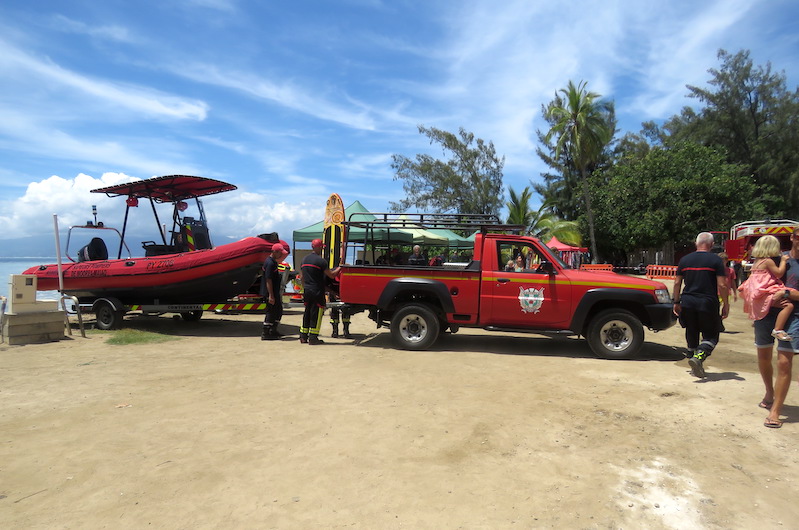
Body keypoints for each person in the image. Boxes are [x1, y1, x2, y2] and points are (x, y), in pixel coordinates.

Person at [757, 227, 799, 428]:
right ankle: (769, 391)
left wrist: (786, 294)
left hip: (793, 315)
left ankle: (775, 412)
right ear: (792, 237)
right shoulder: (774, 258)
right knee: (764, 357)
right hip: (766, 314)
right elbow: (755, 283)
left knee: (784, 362)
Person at [672, 232, 730, 378]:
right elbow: (722, 285)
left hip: (688, 301)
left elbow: (677, 282)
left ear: (696, 244)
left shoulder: (685, 260)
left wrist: (676, 302)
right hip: (707, 302)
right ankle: (698, 358)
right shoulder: (715, 261)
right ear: (711, 244)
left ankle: (694, 362)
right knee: (711, 336)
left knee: (692, 330)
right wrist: (726, 304)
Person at [738, 236, 795, 341]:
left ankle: (760, 320)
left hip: (758, 293)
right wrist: (783, 261)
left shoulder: (757, 261)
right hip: (764, 292)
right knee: (788, 306)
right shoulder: (768, 261)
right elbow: (778, 273)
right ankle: (778, 329)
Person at [300, 238, 342, 345]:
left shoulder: (304, 259)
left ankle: (303, 336)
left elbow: (302, 277)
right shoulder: (321, 261)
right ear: (319, 247)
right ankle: (313, 338)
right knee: (317, 313)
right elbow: (332, 275)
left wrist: (305, 287)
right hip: (317, 291)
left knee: (307, 312)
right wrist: (340, 267)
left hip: (307, 290)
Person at [260, 243, 288, 340]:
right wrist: (271, 295)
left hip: (274, 292)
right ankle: (266, 333)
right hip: (270, 292)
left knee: (278, 311)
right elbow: (268, 279)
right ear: (274, 252)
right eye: (280, 252)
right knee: (271, 312)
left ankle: (273, 330)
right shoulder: (270, 263)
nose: (281, 255)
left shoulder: (273, 262)